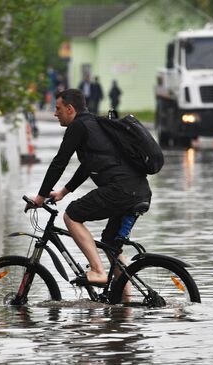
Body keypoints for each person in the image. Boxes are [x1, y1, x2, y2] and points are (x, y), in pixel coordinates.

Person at [27, 89, 152, 285]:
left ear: (70, 109)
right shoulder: (95, 124)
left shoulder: (78, 126)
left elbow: (59, 162)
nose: (54, 113)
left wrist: (41, 197)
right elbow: (87, 166)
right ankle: (124, 305)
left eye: (57, 108)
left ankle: (97, 271)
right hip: (138, 189)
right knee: (111, 243)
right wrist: (63, 192)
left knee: (72, 215)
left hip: (121, 190)